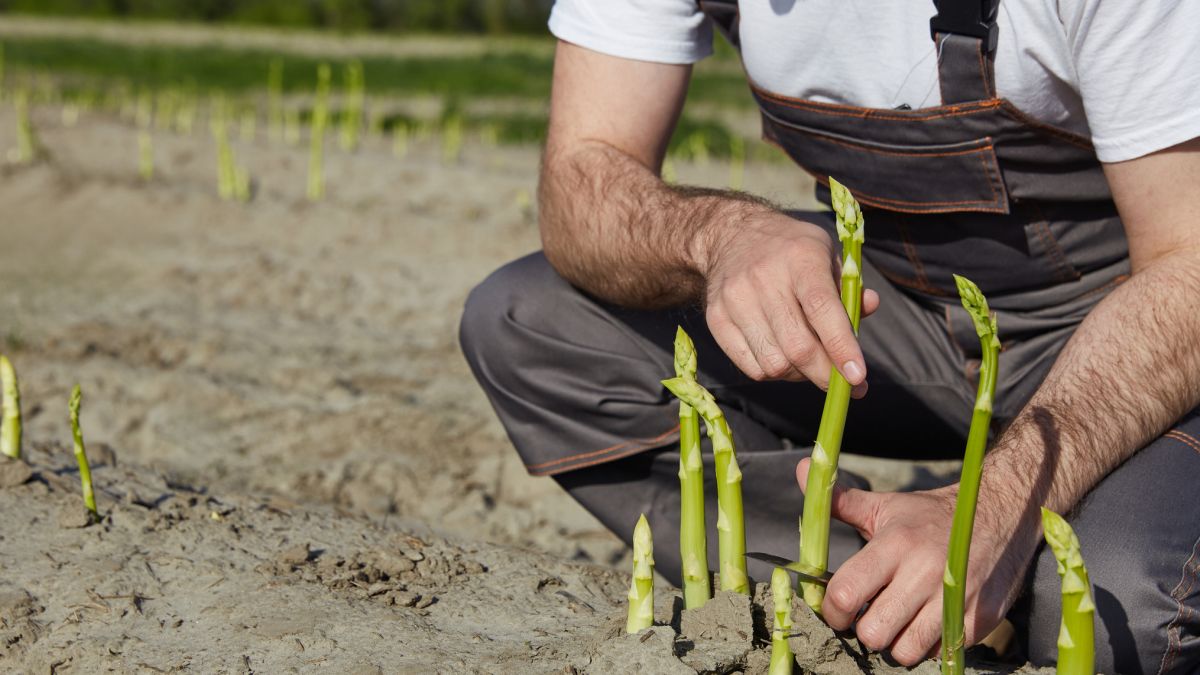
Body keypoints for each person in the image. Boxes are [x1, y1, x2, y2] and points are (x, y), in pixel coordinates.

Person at [459, 1, 1200, 671]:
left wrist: (995, 505)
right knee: (528, 322)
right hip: (891, 308)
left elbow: (1188, 268)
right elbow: (581, 179)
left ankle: (1013, 571)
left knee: (1122, 617)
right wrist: (719, 235)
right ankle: (887, 590)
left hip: (1140, 332)